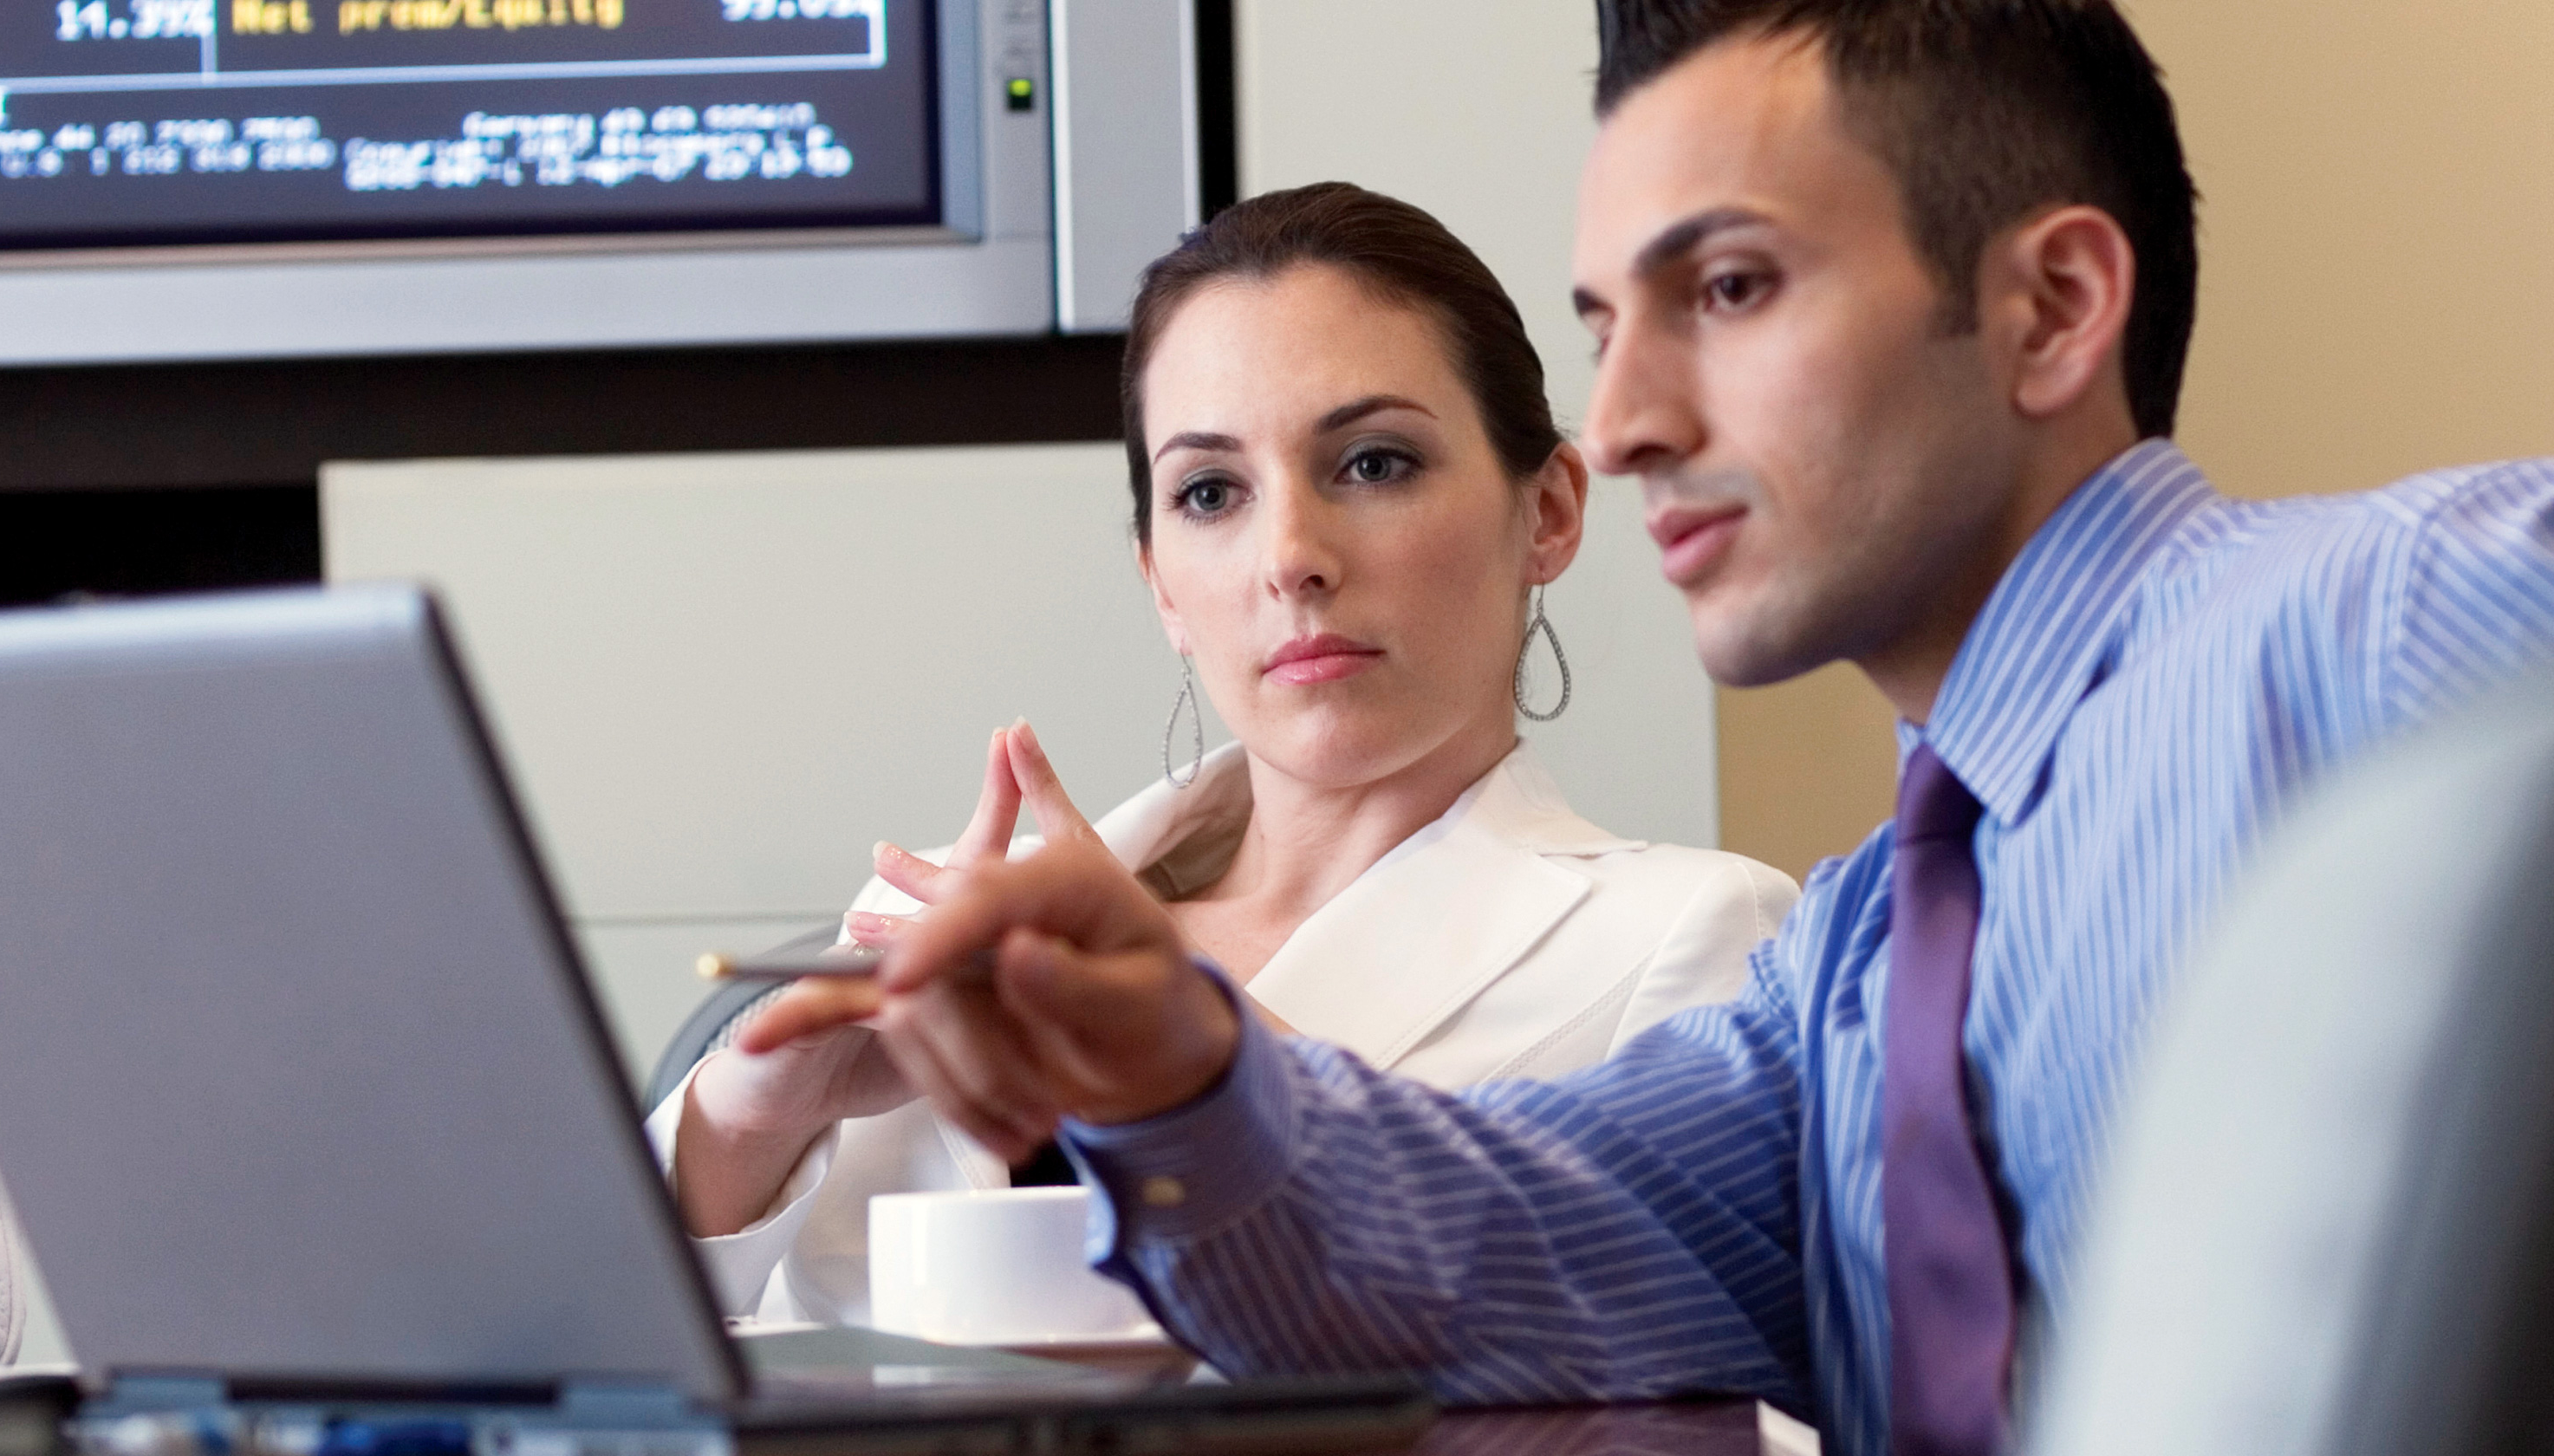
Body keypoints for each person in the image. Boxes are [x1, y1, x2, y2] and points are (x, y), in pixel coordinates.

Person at [736, 3, 2554, 1453]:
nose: (1623, 418)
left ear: (2052, 307)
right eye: (1608, 324)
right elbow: (1452, 1242)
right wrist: (1163, 1062)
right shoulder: (1845, 989)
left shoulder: (2372, 619)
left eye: (1732, 290)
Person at [650, 184, 1798, 1325]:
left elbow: (1666, 1366)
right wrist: (745, 1121)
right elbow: (589, 1378)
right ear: (1161, 583)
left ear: (1546, 511)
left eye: (1375, 464)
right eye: (1210, 492)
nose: (1290, 556)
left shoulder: (1697, 943)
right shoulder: (933, 925)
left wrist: (1203, 1035)